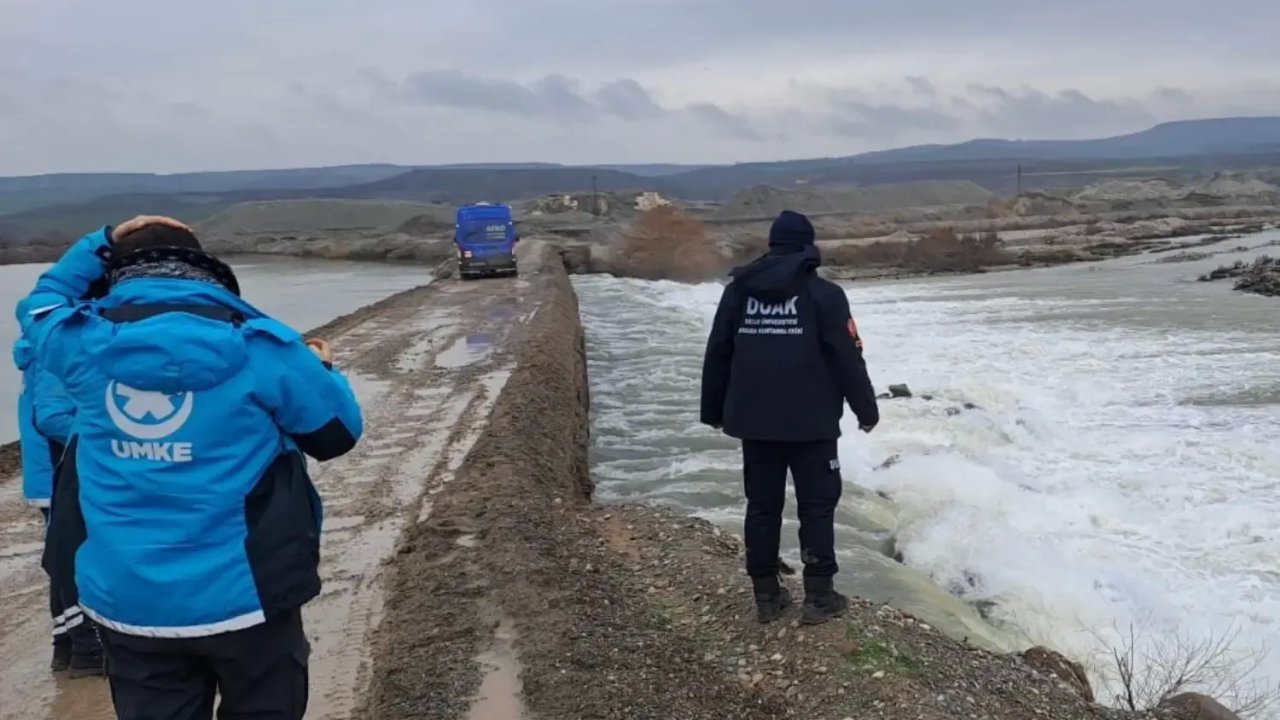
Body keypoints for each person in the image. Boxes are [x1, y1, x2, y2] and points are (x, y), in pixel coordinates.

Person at [16, 215, 364, 719]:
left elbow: (41, 301)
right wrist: (321, 371)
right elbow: (335, 435)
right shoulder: (263, 349)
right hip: (249, 595)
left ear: (118, 275)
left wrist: (102, 240)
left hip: (129, 600)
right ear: (208, 272)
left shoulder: (76, 345)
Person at [700, 209, 879, 626]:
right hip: (811, 424)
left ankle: (766, 595)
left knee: (762, 506)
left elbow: (718, 352)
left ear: (773, 246)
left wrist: (713, 411)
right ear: (807, 248)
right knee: (817, 506)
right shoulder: (825, 296)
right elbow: (847, 359)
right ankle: (819, 596)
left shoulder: (738, 293)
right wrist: (866, 411)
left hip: (754, 422)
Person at [13, 337, 105, 675]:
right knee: (71, 555)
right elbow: (51, 416)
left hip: (55, 468)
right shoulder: (57, 343)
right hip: (59, 469)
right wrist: (108, 443)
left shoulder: (44, 340)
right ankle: (85, 648)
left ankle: (66, 646)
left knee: (62, 551)